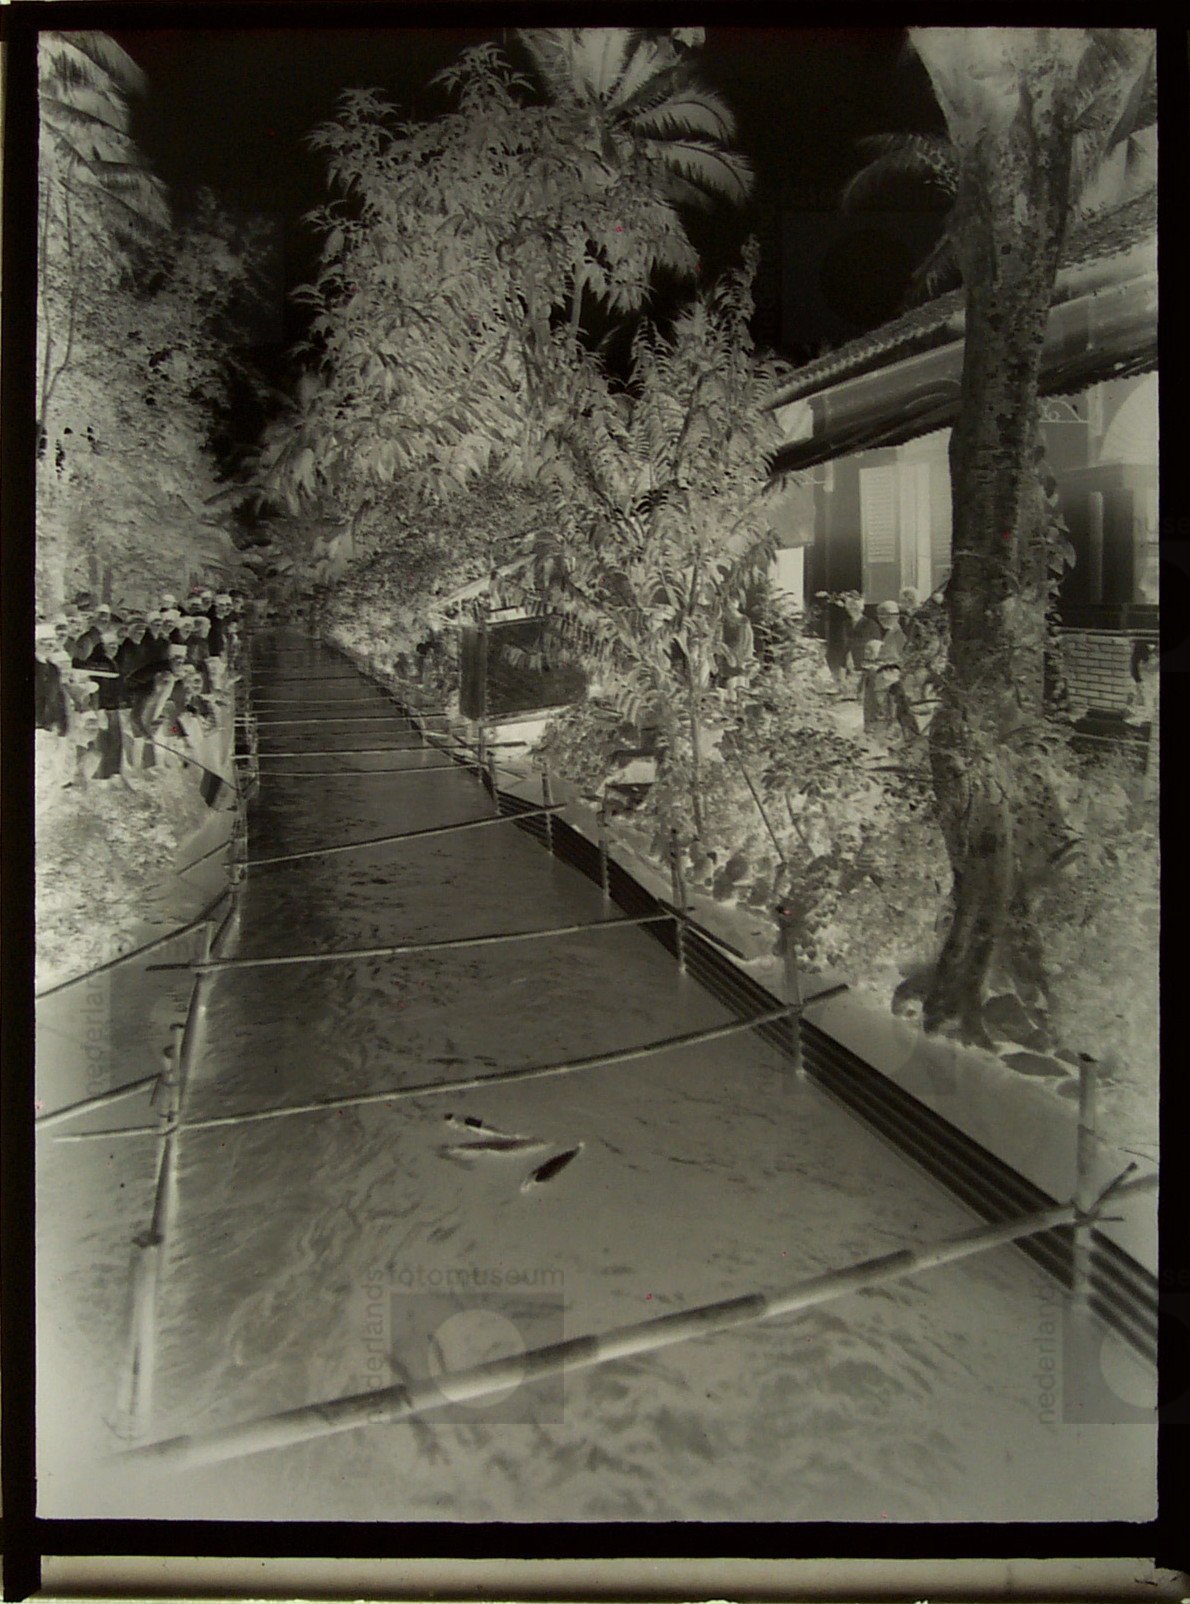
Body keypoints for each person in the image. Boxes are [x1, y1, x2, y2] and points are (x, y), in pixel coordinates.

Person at [862, 600, 908, 734]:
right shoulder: (889, 633)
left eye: (886, 616)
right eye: (880, 616)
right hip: (887, 668)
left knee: (876, 678)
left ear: (896, 616)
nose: (882, 619)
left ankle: (881, 719)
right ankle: (872, 720)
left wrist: (883, 665)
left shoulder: (899, 634)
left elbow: (902, 657)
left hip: (896, 672)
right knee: (870, 675)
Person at [841, 594, 880, 699]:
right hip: (851, 666)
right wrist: (843, 666)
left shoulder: (871, 624)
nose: (853, 609)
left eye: (856, 606)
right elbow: (846, 646)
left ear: (861, 607)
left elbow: (877, 646)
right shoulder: (846, 624)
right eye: (850, 606)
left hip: (866, 664)